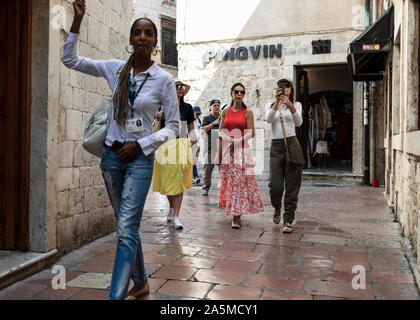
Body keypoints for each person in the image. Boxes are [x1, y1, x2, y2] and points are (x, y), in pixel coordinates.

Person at [62, 1, 179, 300]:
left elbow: (173, 127)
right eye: (137, 32)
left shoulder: (163, 81)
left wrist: (140, 144)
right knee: (127, 228)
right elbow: (70, 60)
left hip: (139, 161)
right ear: (131, 39)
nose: (142, 37)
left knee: (126, 230)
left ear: (155, 43)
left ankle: (115, 296)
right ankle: (140, 283)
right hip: (111, 159)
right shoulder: (115, 70)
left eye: (148, 33)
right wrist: (78, 20)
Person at [153, 79, 197, 230]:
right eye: (177, 87)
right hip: (166, 146)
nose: (180, 89)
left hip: (181, 145)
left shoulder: (187, 108)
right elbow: (158, 127)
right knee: (168, 182)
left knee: (178, 182)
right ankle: (172, 210)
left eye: (182, 87)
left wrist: (194, 147)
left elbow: (190, 129)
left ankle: (176, 216)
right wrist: (158, 117)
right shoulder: (164, 107)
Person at [218, 83, 264, 229]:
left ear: (244, 95)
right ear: (231, 93)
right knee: (230, 182)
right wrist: (228, 140)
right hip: (228, 150)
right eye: (236, 92)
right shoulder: (225, 111)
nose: (239, 94)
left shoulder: (247, 112)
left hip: (242, 151)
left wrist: (237, 141)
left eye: (242, 92)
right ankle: (233, 210)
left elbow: (252, 132)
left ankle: (236, 216)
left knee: (238, 182)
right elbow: (220, 130)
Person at [265, 78, 303, 233]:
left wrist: (289, 104)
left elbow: (299, 122)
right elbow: (268, 119)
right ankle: (277, 208)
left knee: (292, 185)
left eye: (288, 86)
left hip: (292, 145)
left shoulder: (296, 105)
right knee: (275, 185)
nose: (285, 88)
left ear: (291, 89)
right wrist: (276, 103)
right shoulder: (270, 105)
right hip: (276, 147)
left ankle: (288, 220)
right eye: (282, 85)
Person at [200, 99, 221, 196]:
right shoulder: (206, 118)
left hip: (222, 149)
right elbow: (203, 130)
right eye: (214, 105)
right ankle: (205, 188)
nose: (216, 107)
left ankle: (224, 188)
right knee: (207, 170)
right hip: (210, 149)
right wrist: (213, 124)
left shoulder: (223, 118)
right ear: (210, 107)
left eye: (218, 105)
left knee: (224, 170)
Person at [192, 106, 202, 185]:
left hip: (198, 145)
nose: (198, 115)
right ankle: (195, 177)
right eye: (196, 114)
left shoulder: (199, 121)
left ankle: (193, 177)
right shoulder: (188, 121)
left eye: (199, 114)